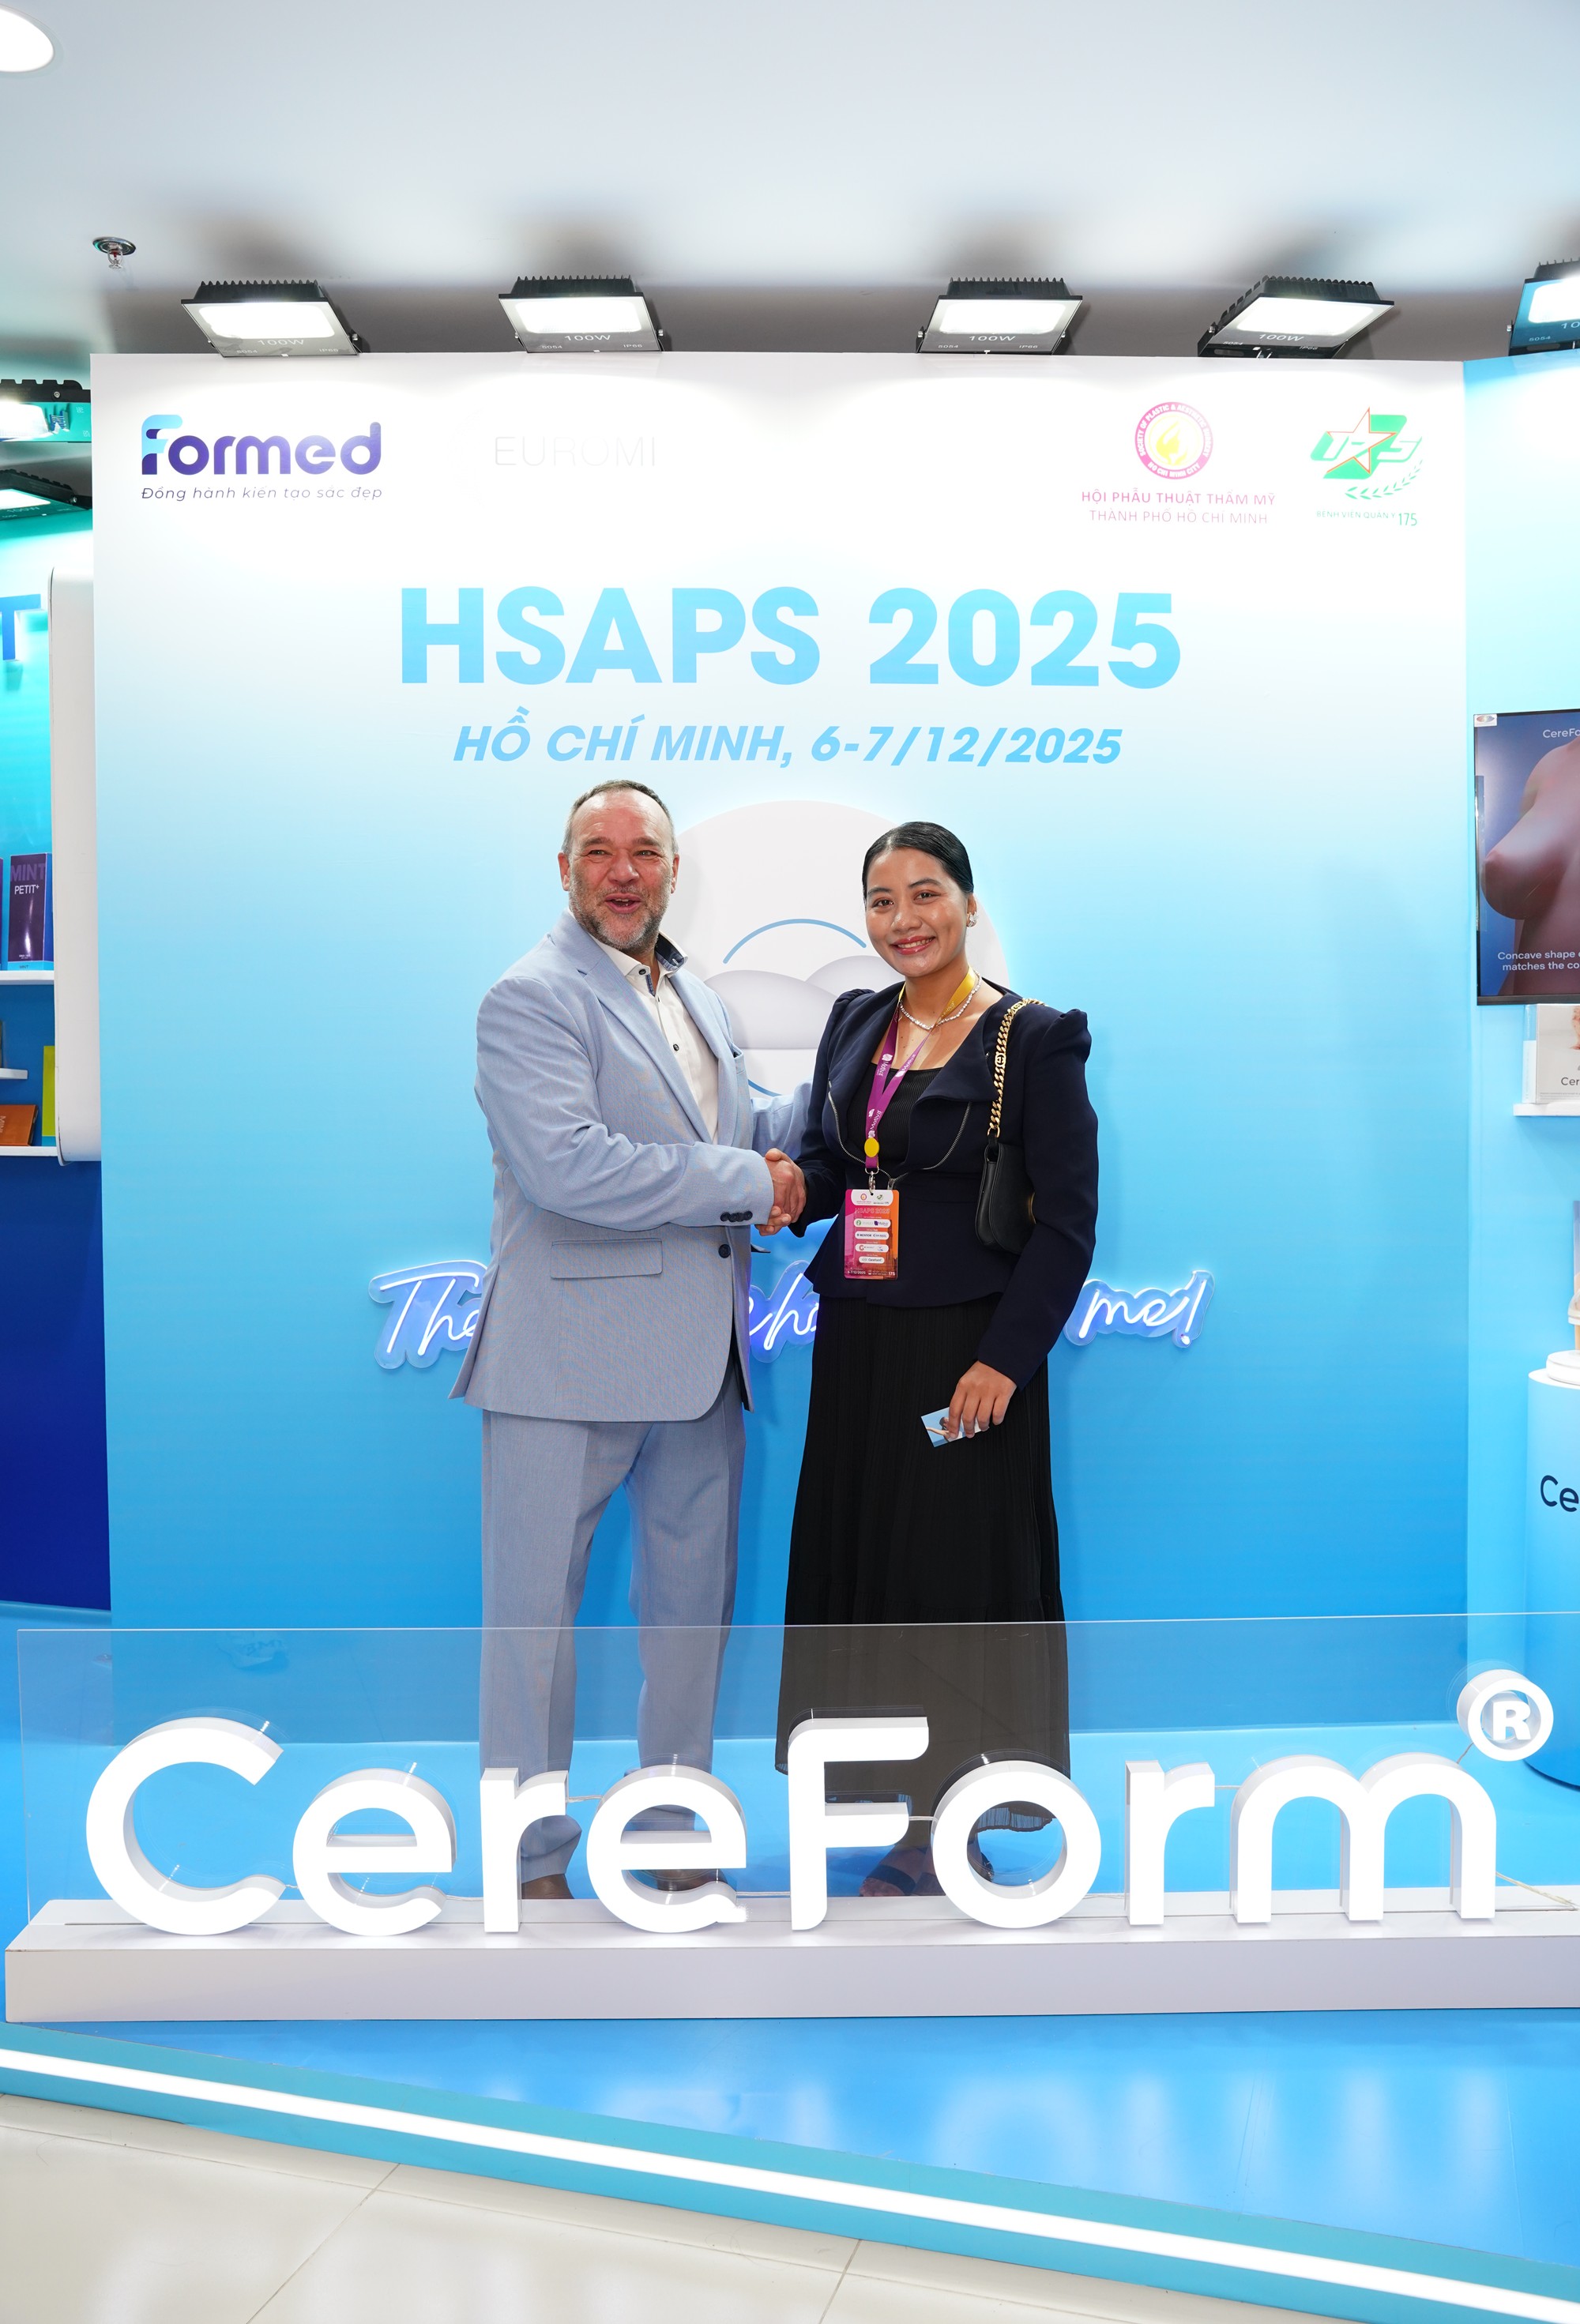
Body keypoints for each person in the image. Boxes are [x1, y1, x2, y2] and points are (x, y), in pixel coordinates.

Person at [453, 779, 807, 1900]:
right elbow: (569, 1165)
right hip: (562, 1367)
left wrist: (863, 1073)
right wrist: (752, 1179)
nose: (622, 872)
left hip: (700, 1366)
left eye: (643, 852)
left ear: (672, 870)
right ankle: (531, 1864)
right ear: (565, 870)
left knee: (691, 1624)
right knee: (532, 1632)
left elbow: (744, 1131)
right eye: (598, 852)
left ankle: (673, 1835)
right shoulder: (528, 996)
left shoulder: (693, 992)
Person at [776, 820, 1097, 1897]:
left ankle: (947, 1822)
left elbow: (1067, 1226)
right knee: (868, 1567)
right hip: (860, 1345)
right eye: (882, 900)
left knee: (955, 1575)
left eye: (925, 894)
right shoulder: (854, 1021)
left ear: (967, 903)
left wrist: (1005, 1361)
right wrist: (785, 1187)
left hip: (970, 1356)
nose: (904, 919)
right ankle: (885, 1795)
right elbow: (837, 1166)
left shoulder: (1034, 1037)